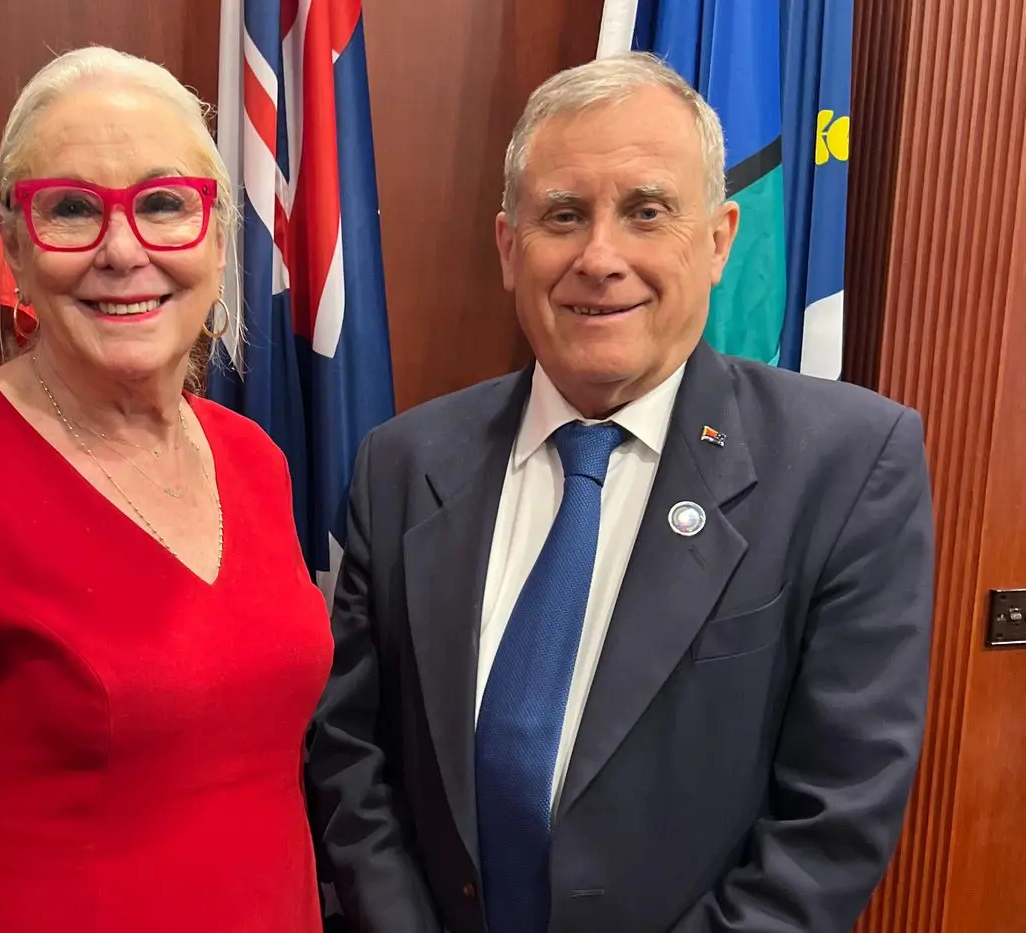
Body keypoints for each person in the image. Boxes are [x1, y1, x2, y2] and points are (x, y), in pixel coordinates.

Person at [306, 51, 934, 933]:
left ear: (718, 241)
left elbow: (831, 822)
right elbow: (352, 756)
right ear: (508, 248)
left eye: (646, 212)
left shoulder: (851, 464)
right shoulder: (403, 463)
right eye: (562, 214)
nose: (600, 257)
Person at [0, 45, 333, 933]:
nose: (121, 249)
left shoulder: (254, 459)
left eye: (165, 203)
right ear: (12, 240)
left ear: (213, 233)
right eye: (71, 210)